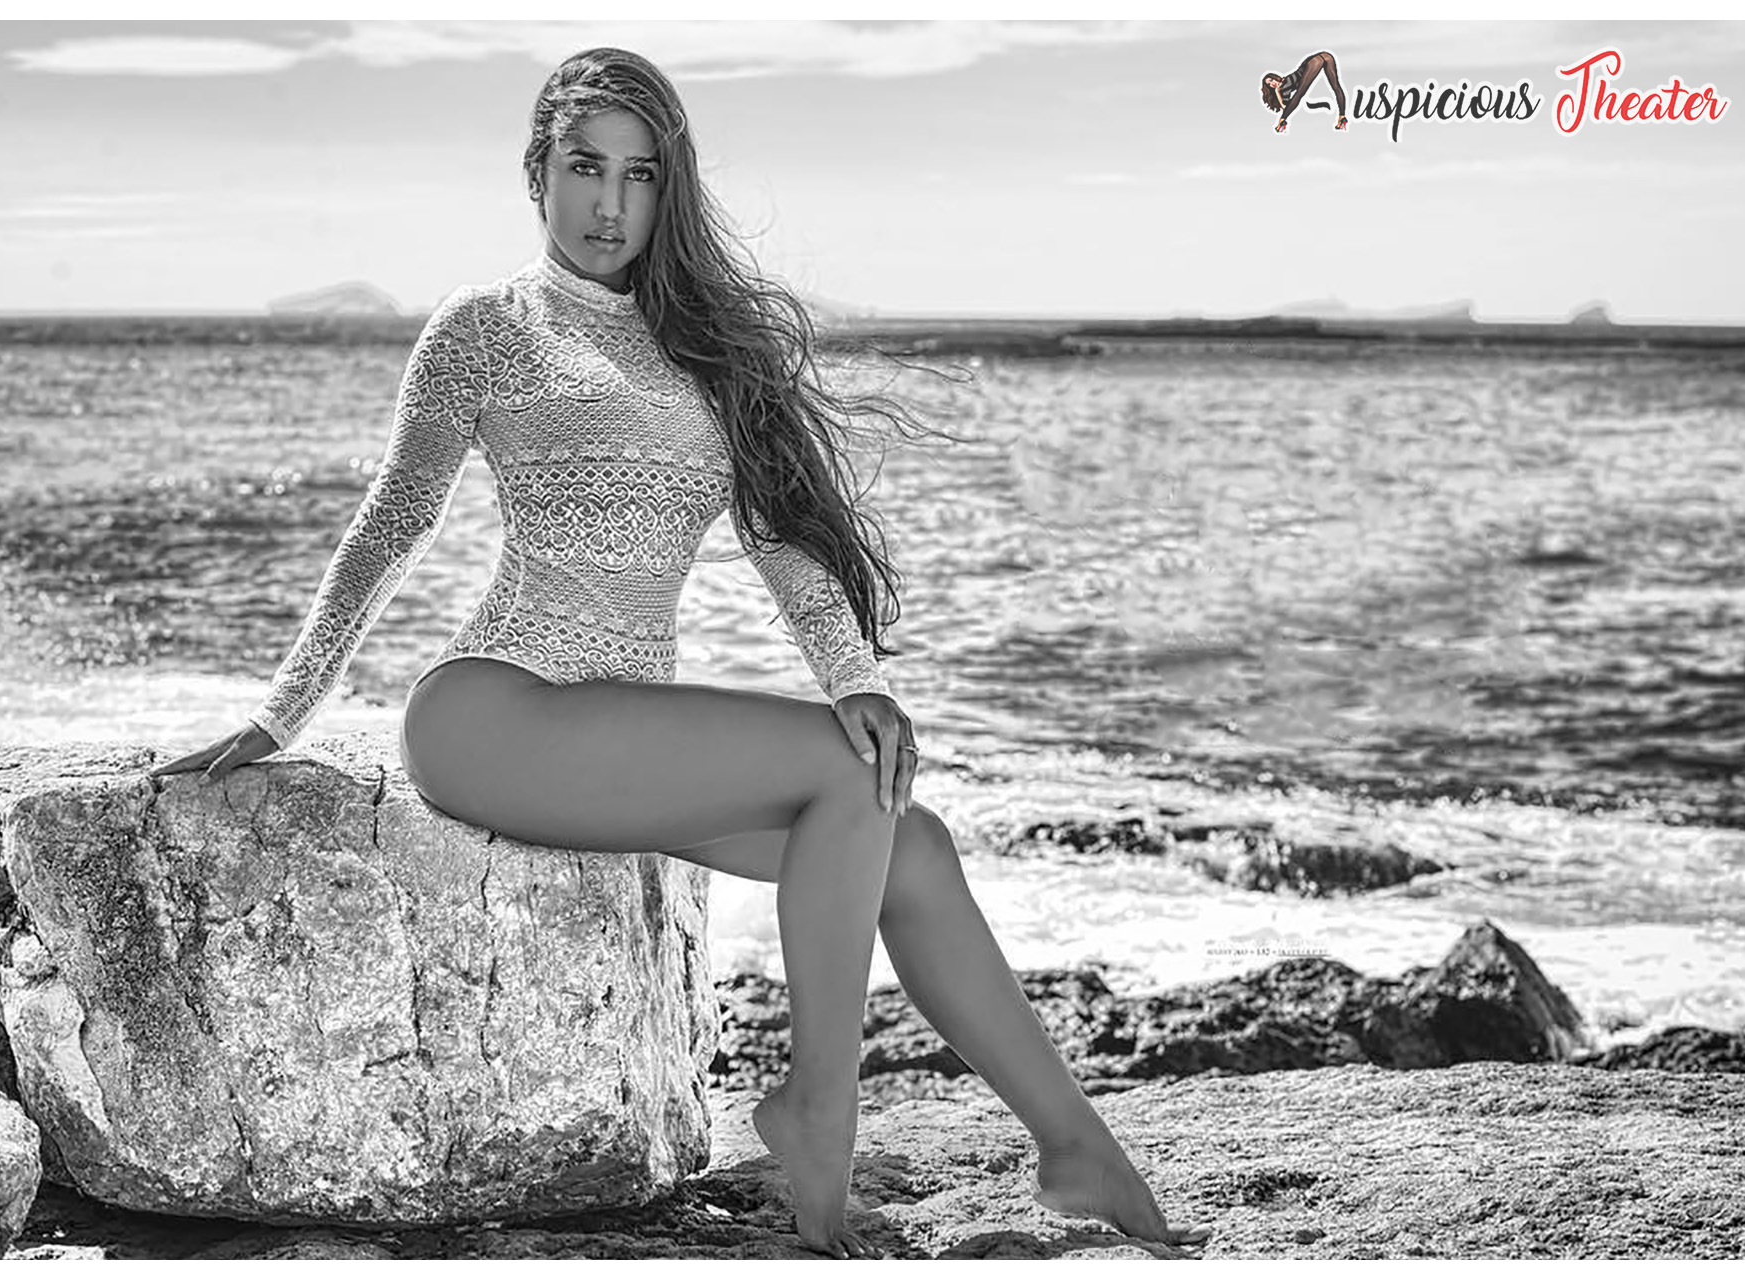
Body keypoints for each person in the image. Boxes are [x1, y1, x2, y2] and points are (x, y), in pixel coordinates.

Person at [153, 47, 1211, 1261]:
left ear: (669, 189)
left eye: (640, 174)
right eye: (584, 167)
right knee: (847, 774)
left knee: (906, 834)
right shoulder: (482, 330)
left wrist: (857, 679)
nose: (609, 203)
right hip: (492, 709)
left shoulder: (711, 348)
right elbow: (391, 524)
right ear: (536, 173)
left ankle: (1073, 1143)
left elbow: (783, 543)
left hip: (616, 730)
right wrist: (282, 712)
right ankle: (820, 1112)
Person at [1261, 50, 1349, 133]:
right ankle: (1342, 117)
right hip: (1326, 56)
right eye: (1269, 84)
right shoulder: (1285, 81)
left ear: (1275, 77)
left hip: (1313, 62)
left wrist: (1278, 93)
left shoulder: (1284, 86)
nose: (1272, 84)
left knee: (1300, 93)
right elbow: (1288, 106)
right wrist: (1277, 91)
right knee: (1336, 86)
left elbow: (1286, 106)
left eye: (1271, 80)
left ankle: (1282, 120)